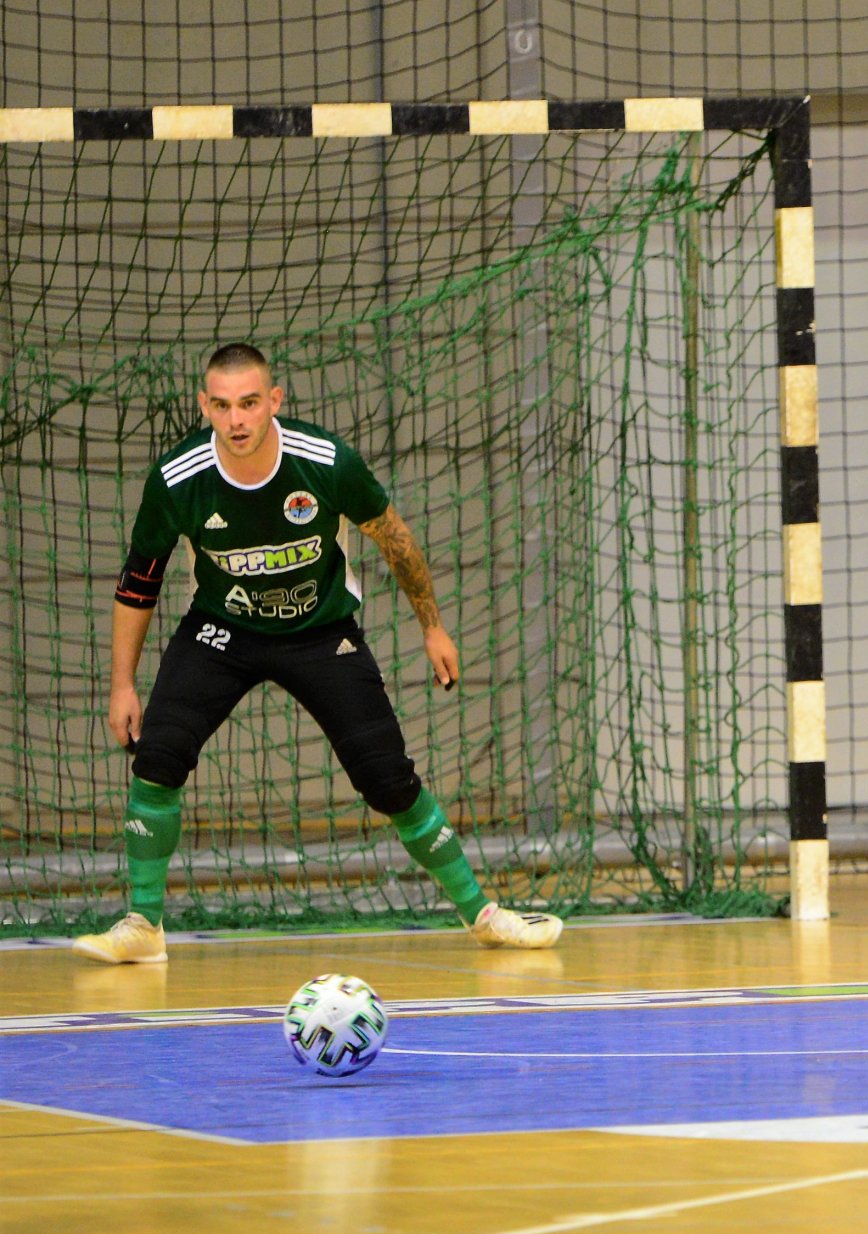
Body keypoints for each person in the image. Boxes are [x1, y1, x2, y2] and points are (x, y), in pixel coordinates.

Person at [75, 343, 562, 963]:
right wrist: (123, 683)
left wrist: (433, 628)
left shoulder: (326, 462)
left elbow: (396, 539)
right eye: (222, 406)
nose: (237, 420)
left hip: (320, 631)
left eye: (249, 403)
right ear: (205, 407)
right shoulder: (179, 478)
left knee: (388, 780)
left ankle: (484, 915)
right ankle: (143, 925)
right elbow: (137, 582)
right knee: (158, 756)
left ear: (274, 401)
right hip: (222, 632)